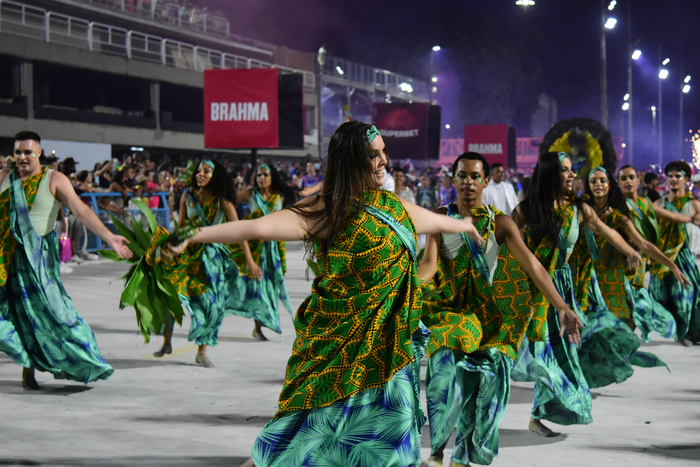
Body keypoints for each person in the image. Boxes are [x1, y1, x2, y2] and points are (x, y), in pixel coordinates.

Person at [166, 122, 486, 467]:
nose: (383, 161)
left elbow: (434, 222)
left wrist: (466, 226)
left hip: (388, 347)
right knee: (308, 433)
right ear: (351, 160)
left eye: (383, 153)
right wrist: (193, 233)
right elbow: (257, 227)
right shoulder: (328, 209)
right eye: (372, 155)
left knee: (392, 436)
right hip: (339, 345)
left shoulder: (393, 207)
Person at [417, 152, 581, 467]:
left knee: (480, 387)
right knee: (442, 377)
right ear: (453, 179)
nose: (468, 182)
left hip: (486, 316)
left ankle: (460, 456)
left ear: (486, 180)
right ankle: (436, 451)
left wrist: (561, 306)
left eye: (475, 176)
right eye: (462, 175)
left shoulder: (500, 223)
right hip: (447, 312)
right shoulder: (438, 217)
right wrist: (405, 290)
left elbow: (533, 265)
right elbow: (429, 264)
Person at [511, 151, 641, 438]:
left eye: (572, 170)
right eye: (565, 170)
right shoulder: (527, 210)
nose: (572, 176)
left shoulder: (579, 210)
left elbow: (608, 232)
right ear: (549, 174)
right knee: (542, 352)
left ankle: (538, 414)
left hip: (565, 290)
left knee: (563, 351)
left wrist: (630, 250)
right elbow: (507, 245)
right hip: (534, 290)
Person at [0, 131, 132, 389]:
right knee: (13, 314)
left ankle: (80, 360)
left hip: (39, 264)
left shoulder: (54, 179)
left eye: (28, 152)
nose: (22, 157)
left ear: (38, 152)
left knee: (50, 315)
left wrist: (110, 238)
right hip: (5, 259)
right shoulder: (4, 177)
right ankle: (28, 362)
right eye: (18, 152)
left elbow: (80, 210)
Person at [570, 167, 676, 388]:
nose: (598, 184)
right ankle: (577, 372)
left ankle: (603, 366)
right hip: (583, 276)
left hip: (611, 277)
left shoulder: (618, 217)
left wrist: (672, 265)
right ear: (588, 186)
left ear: (609, 185)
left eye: (602, 180)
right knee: (581, 325)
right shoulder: (578, 210)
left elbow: (644, 244)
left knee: (621, 324)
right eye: (593, 181)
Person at [153, 159, 256, 367]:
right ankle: (166, 343)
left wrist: (250, 260)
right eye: (199, 171)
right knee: (171, 296)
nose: (200, 174)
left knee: (211, 304)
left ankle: (201, 351)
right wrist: (167, 249)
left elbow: (240, 231)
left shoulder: (223, 202)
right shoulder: (187, 196)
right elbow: (181, 226)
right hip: (186, 255)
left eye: (206, 171)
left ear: (214, 175)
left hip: (210, 259)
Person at [617, 165, 697, 341]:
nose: (628, 181)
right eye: (623, 178)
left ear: (639, 180)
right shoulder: (617, 207)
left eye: (632, 177)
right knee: (624, 308)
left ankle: (623, 343)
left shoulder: (646, 203)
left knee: (639, 310)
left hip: (648, 261)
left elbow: (671, 216)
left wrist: (691, 219)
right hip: (619, 264)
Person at [230, 163, 297, 340]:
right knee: (258, 285)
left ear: (272, 177)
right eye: (258, 175)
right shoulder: (250, 194)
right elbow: (228, 199)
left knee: (272, 286)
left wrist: (321, 186)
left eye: (265, 175)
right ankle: (257, 325)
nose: (261, 178)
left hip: (273, 249)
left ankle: (259, 325)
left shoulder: (280, 196)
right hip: (255, 247)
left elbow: (302, 195)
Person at [650, 161, 700, 346]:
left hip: (684, 258)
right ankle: (677, 329)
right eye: (670, 176)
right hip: (663, 257)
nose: (673, 179)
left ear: (686, 180)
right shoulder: (659, 203)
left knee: (686, 294)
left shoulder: (693, 205)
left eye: (677, 176)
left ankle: (685, 332)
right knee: (661, 296)